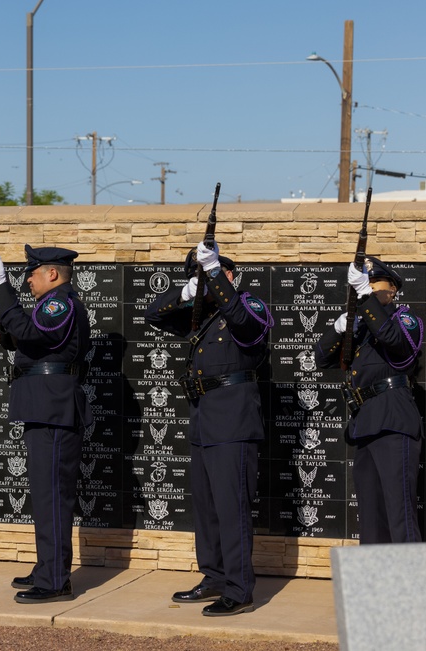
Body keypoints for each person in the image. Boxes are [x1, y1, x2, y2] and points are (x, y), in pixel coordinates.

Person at [145, 243, 272, 617]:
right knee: (207, 508)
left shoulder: (249, 305)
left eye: (215, 274)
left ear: (230, 274)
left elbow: (246, 326)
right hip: (203, 417)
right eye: (200, 278)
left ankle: (239, 589)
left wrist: (215, 274)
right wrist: (187, 291)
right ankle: (215, 576)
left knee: (232, 508)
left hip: (233, 419)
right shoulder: (202, 315)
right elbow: (153, 314)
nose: (206, 284)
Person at [0, 244, 93, 604]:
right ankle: (48, 566)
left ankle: (55, 580)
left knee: (53, 496)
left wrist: (1, 289)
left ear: (53, 273)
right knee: (45, 495)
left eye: (33, 271)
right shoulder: (48, 306)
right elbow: (20, 335)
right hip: (44, 406)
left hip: (54, 408)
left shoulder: (60, 303)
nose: (27, 278)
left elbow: (30, 335)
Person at [314, 256, 424, 544]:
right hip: (365, 422)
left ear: (393, 290)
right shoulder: (362, 327)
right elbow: (321, 358)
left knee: (400, 513)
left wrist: (365, 297)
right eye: (367, 284)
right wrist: (339, 329)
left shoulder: (405, 320)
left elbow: (396, 342)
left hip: (393, 421)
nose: (373, 289)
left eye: (377, 284)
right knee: (371, 516)